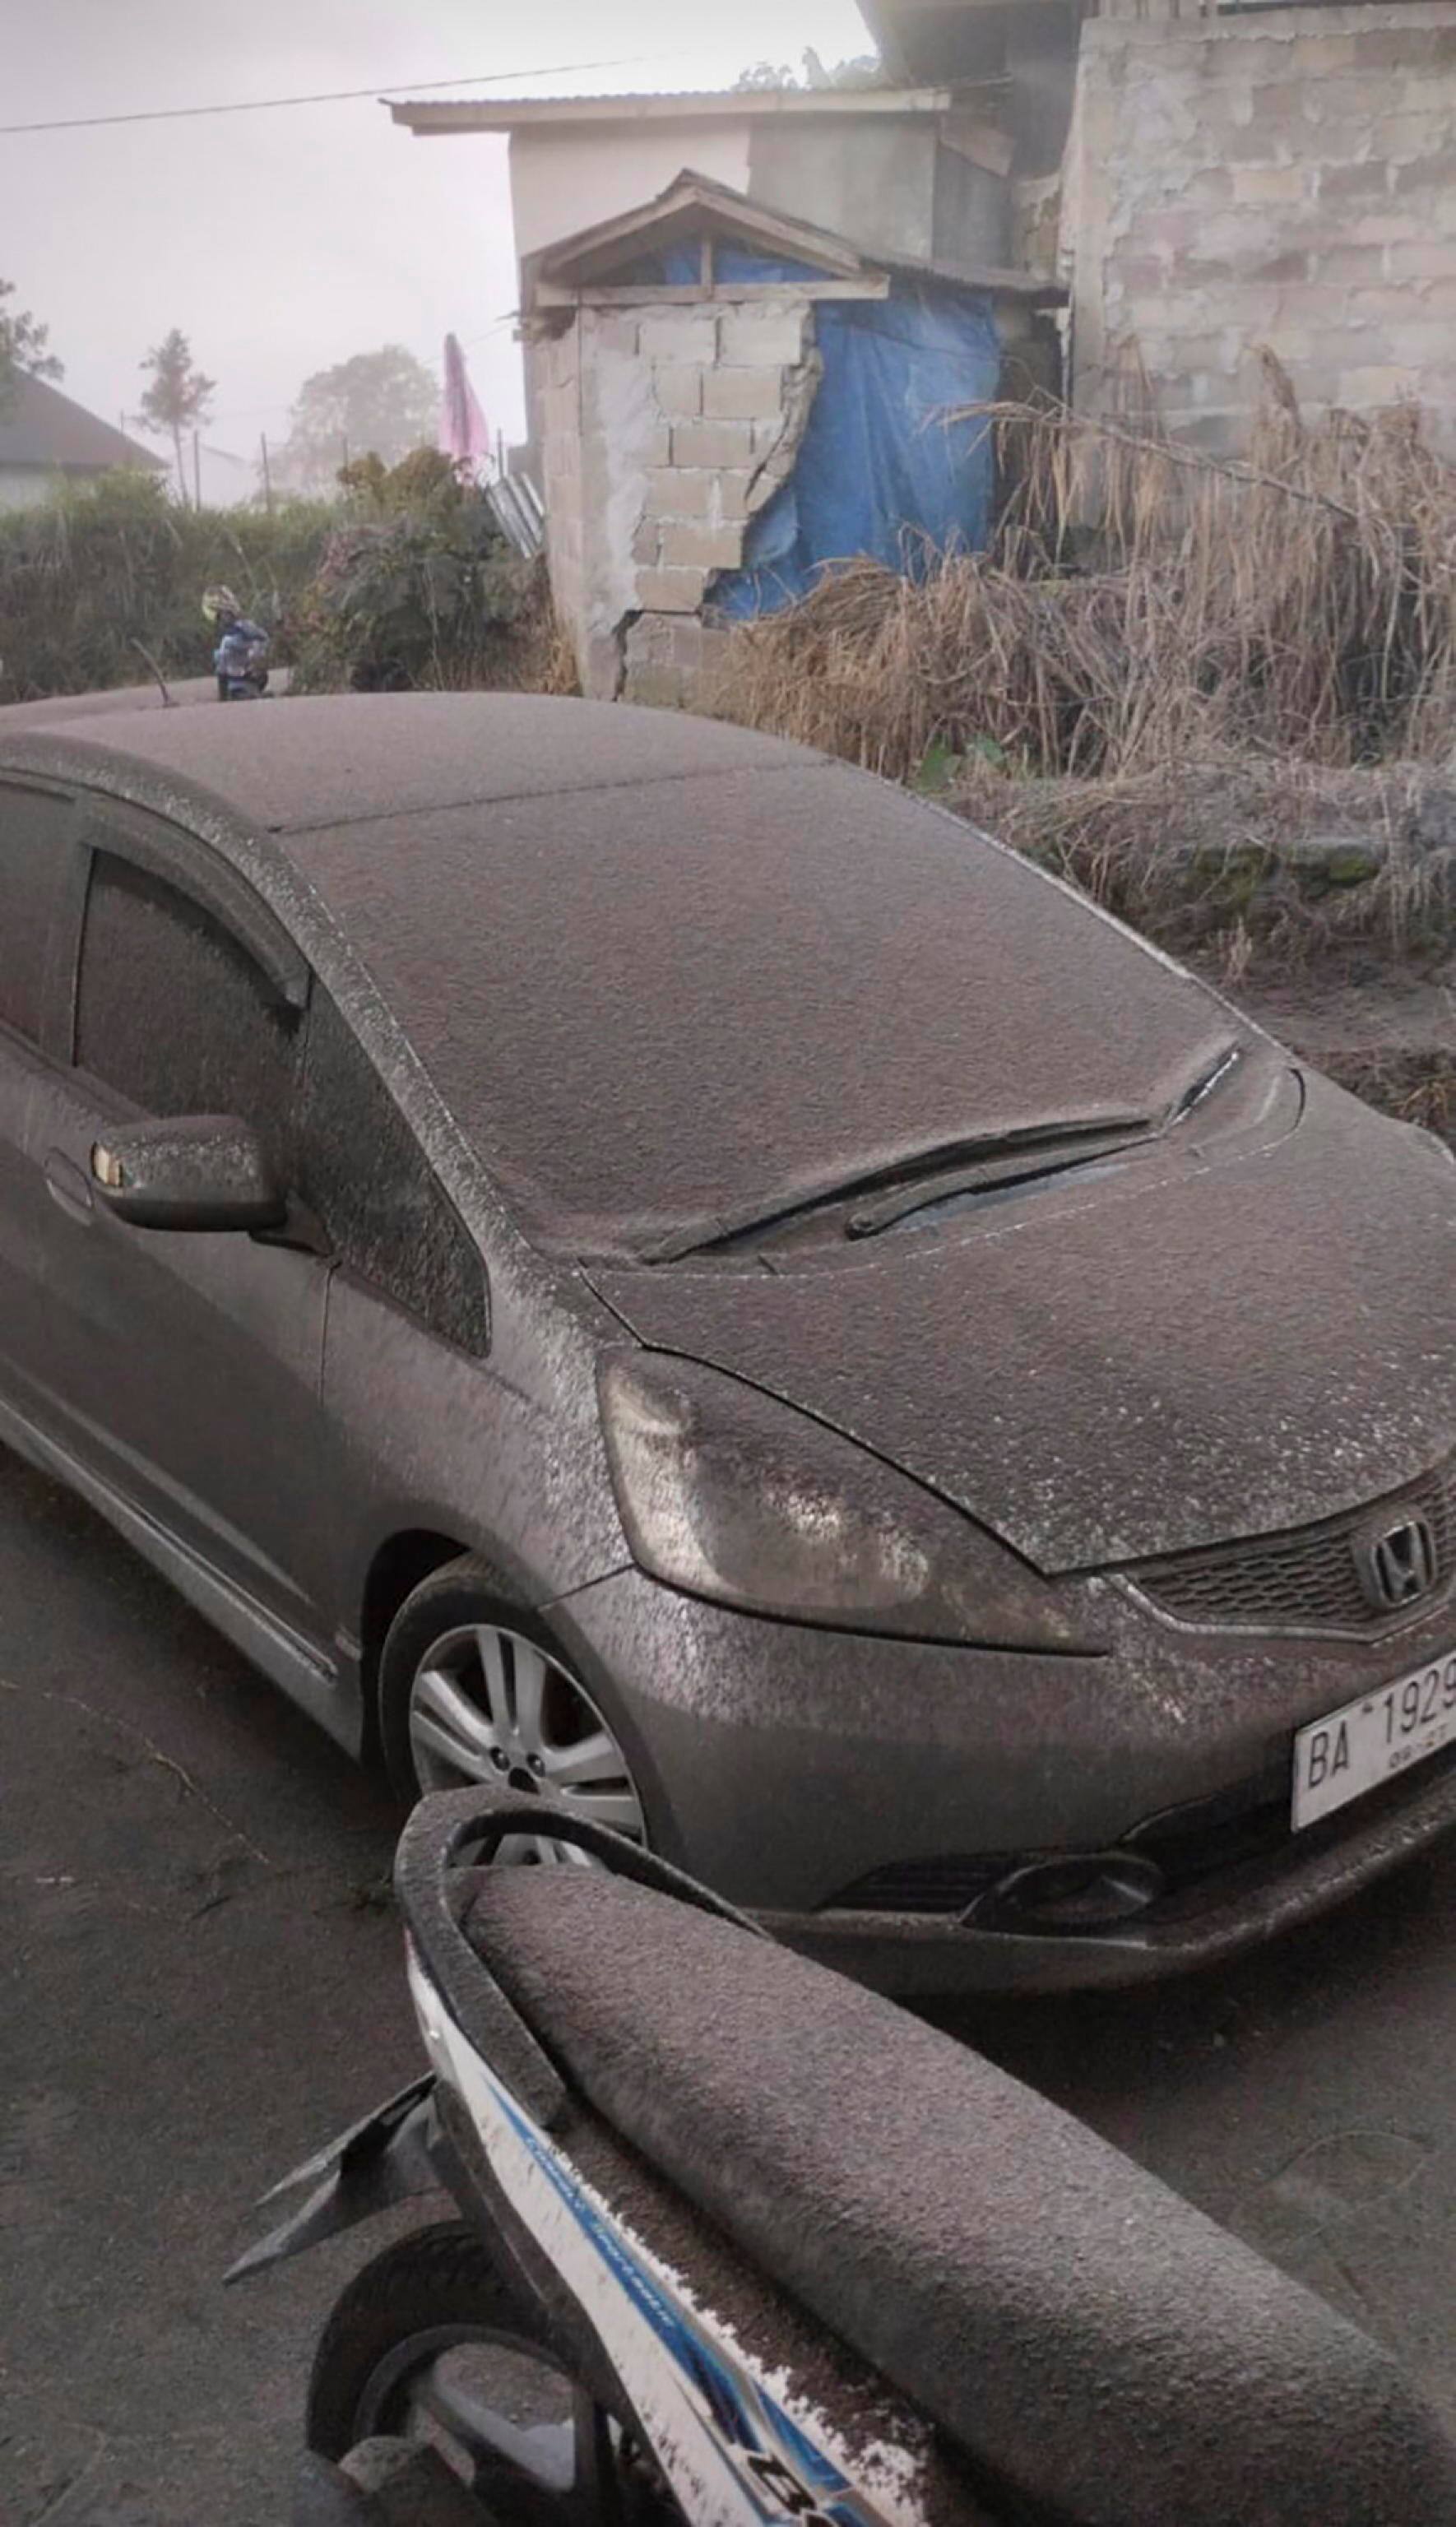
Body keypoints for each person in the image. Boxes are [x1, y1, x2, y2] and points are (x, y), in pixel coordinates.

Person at [202, 584, 270, 699]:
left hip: (239, 685)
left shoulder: (232, 637)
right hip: (246, 681)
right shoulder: (245, 627)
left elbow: (221, 670)